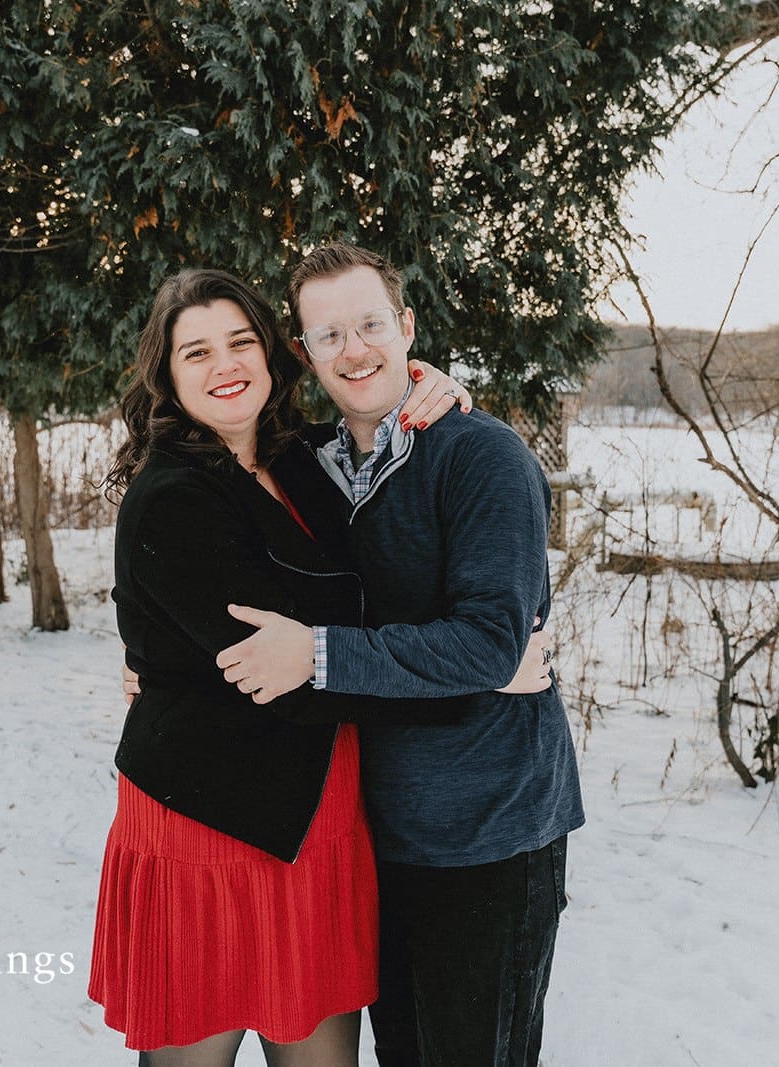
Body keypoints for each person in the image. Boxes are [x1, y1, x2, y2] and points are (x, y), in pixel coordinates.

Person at [89, 267, 551, 1067]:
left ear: (273, 356)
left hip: (324, 819)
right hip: (212, 824)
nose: (224, 364)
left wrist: (427, 380)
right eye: (195, 352)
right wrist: (478, 670)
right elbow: (282, 680)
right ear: (165, 375)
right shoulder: (171, 497)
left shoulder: (300, 460)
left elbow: (348, 608)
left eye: (240, 341)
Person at [216, 243, 586, 1067]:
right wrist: (153, 654)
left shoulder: (481, 457)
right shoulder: (305, 468)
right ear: (305, 355)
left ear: (407, 327)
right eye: (329, 334)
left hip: (487, 832)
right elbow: (211, 554)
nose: (355, 349)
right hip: (370, 832)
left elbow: (492, 641)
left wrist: (317, 655)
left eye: (371, 324)